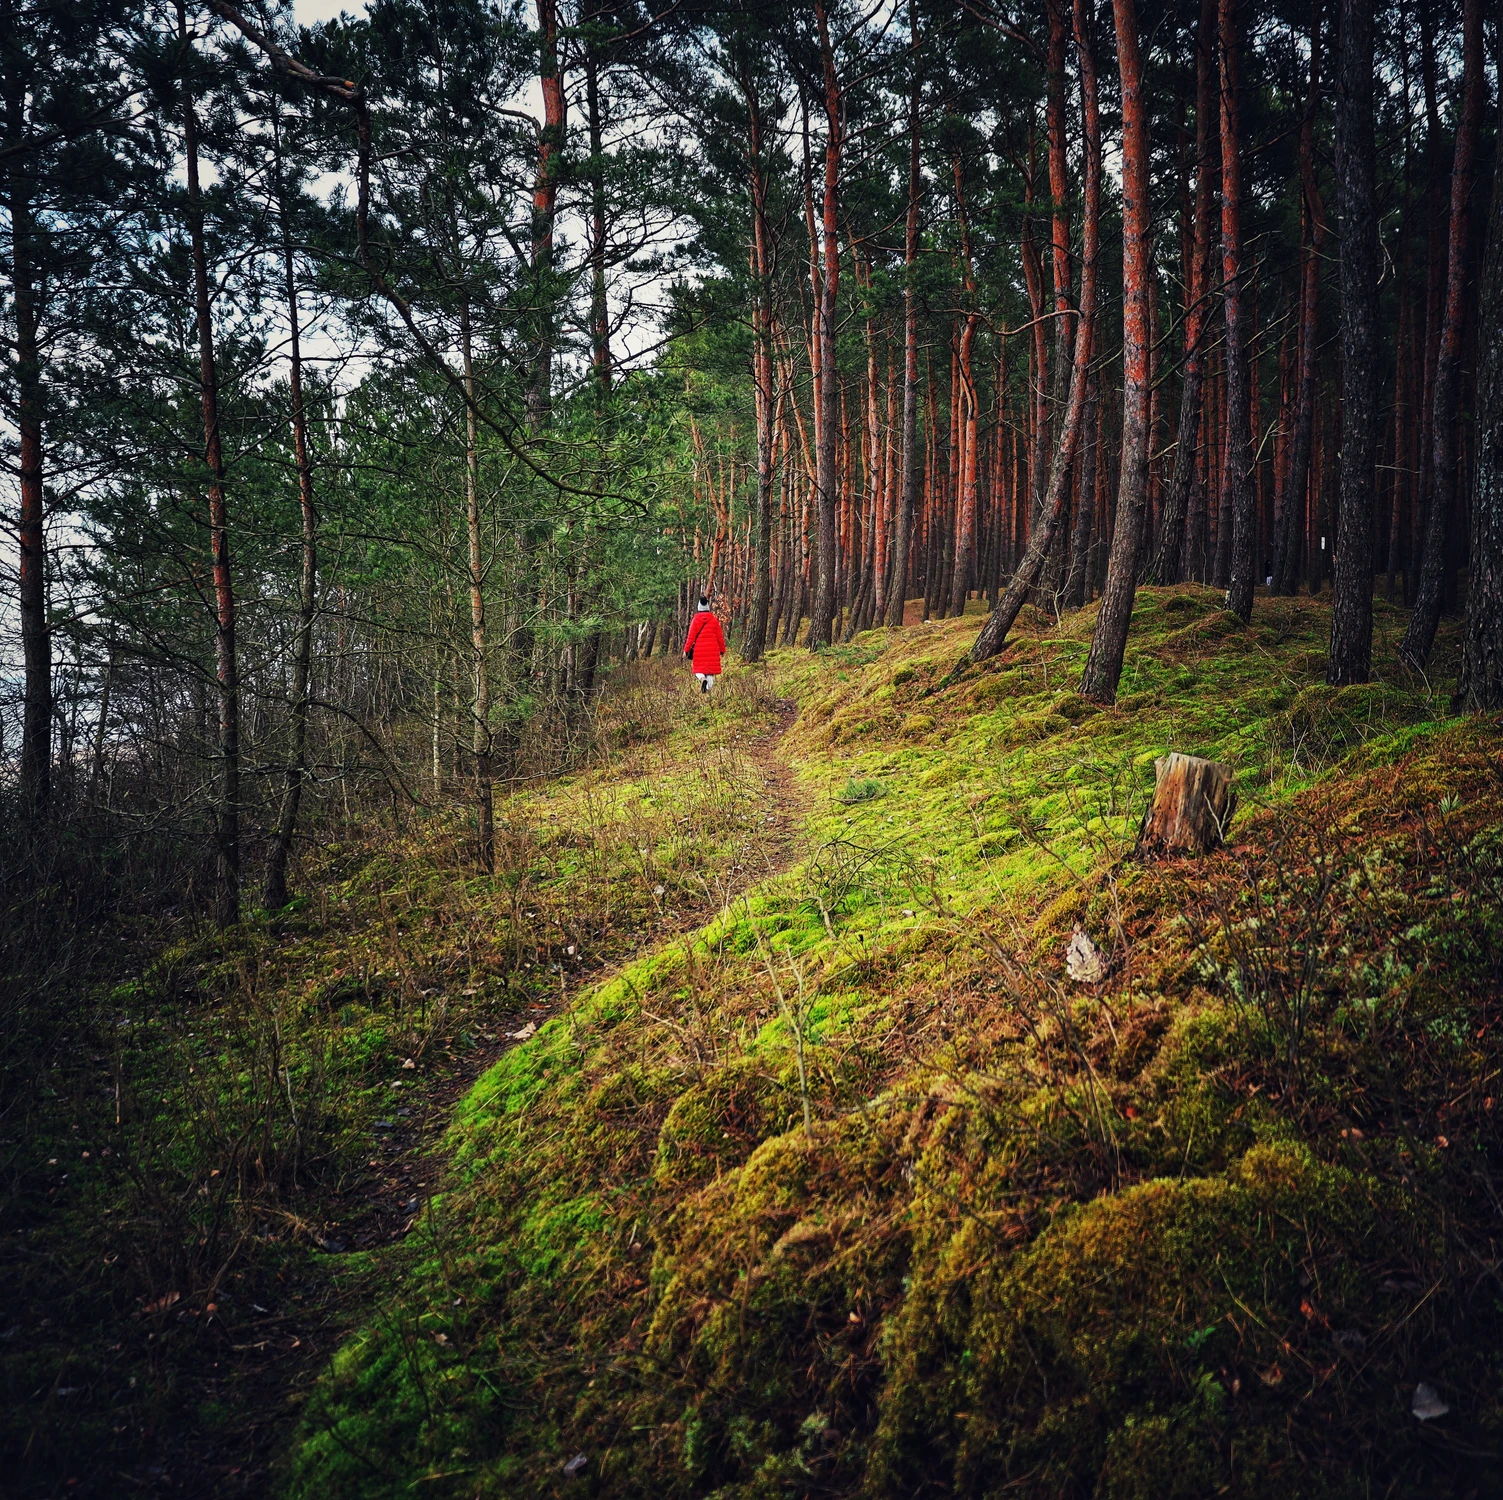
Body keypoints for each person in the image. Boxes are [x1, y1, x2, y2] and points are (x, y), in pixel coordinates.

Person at [683, 595, 726, 694]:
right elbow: (720, 637)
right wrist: (722, 650)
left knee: (698, 669)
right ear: (707, 607)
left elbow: (691, 637)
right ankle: (707, 692)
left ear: (699, 608)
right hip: (713, 650)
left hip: (699, 650)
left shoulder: (695, 620)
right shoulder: (714, 621)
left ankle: (702, 679)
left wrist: (686, 650)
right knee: (710, 672)